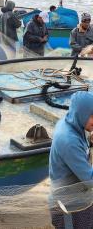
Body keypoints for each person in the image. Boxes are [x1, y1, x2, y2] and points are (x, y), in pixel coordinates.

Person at [49, 91, 93, 229]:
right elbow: (90, 180)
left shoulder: (71, 121)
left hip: (79, 196)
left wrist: (90, 142)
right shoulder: (68, 141)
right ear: (82, 113)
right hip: (68, 206)